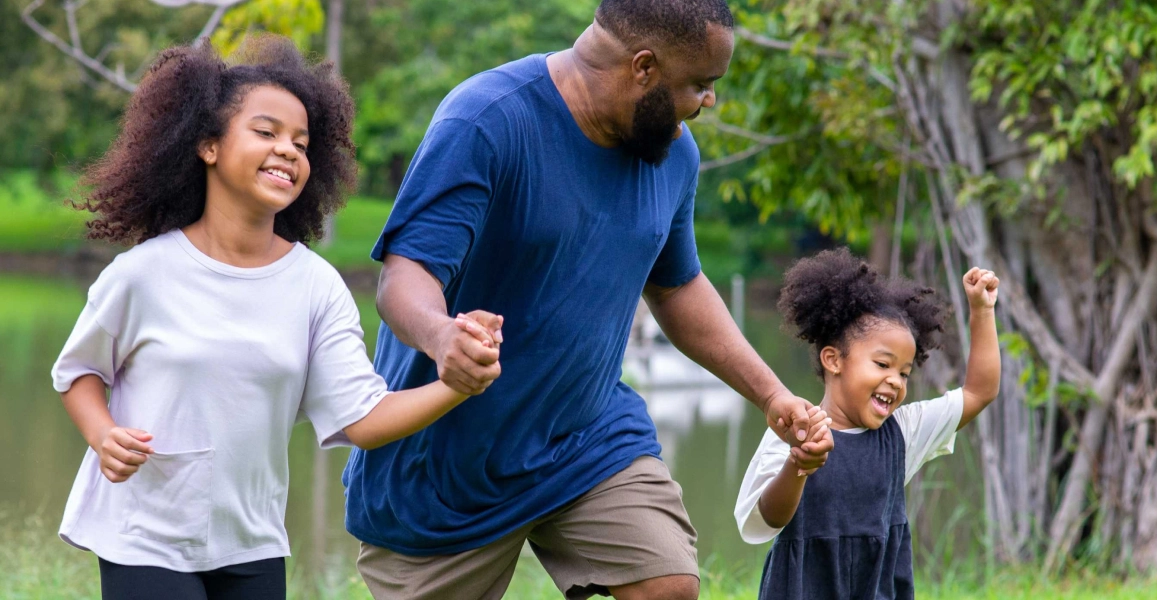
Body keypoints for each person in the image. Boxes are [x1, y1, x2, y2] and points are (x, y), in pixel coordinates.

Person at [341, 0, 822, 598]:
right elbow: (405, 276)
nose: (708, 101)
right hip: (444, 462)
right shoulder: (487, 121)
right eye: (699, 84)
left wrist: (771, 392)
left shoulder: (672, 154)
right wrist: (443, 337)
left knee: (668, 585)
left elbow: (676, 285)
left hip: (586, 437)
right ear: (643, 67)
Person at [50, 37, 490, 600]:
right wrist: (102, 433)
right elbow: (79, 371)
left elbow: (361, 417)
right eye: (267, 132)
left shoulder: (316, 286)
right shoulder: (143, 274)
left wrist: (454, 386)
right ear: (208, 145)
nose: (288, 151)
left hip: (253, 544)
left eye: (301, 144)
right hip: (145, 536)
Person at [733, 249, 1002, 599]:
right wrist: (798, 464)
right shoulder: (795, 429)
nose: (895, 380)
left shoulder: (902, 432)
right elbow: (763, 520)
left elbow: (980, 392)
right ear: (833, 360)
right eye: (882, 364)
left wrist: (982, 311)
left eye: (904, 372)